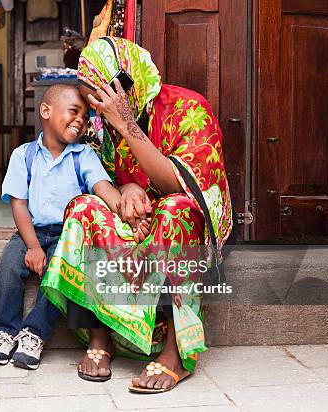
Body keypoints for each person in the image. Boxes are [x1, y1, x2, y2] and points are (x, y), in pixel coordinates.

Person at [41, 37, 234, 392]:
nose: (95, 109)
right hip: (136, 216)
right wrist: (128, 190)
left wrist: (127, 122)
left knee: (176, 211)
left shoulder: (189, 108)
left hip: (183, 218)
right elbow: (107, 179)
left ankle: (177, 353)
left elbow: (181, 187)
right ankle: (100, 339)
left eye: (100, 97)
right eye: (90, 99)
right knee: (83, 207)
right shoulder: (103, 125)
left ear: (127, 85)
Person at [0, 83, 120, 370]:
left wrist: (125, 206)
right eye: (73, 111)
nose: (80, 120)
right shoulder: (24, 155)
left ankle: (34, 333)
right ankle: (4, 332)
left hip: (69, 236)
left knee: (59, 273)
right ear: (46, 111)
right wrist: (32, 246)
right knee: (8, 268)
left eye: (84, 116)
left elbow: (103, 187)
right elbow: (19, 204)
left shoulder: (83, 155)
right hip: (29, 231)